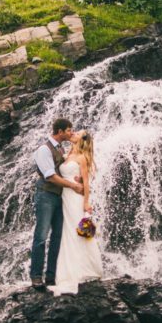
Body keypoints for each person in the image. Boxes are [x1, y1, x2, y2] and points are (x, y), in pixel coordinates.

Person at [30, 118, 83, 291]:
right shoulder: (44, 149)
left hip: (60, 197)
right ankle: (36, 276)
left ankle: (51, 276)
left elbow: (68, 169)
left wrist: (78, 178)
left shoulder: (61, 149)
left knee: (58, 236)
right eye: (68, 130)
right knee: (41, 236)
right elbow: (50, 176)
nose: (71, 133)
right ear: (60, 132)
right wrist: (73, 186)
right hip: (45, 195)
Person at [49, 130, 103, 296]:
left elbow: (86, 182)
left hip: (75, 199)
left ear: (82, 140)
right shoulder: (65, 154)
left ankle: (85, 268)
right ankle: (67, 271)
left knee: (77, 232)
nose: (74, 133)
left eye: (78, 133)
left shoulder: (81, 158)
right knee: (66, 233)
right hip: (64, 196)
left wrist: (86, 202)